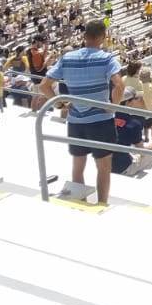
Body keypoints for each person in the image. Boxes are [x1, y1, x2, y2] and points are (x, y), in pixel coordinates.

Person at [38, 20, 123, 206]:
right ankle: (101, 203)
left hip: (76, 120)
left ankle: (80, 202)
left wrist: (60, 103)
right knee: (103, 167)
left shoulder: (67, 58)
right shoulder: (106, 58)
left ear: (84, 36)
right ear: (103, 37)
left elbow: (44, 85)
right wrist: (113, 106)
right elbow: (119, 84)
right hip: (101, 120)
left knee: (78, 166)